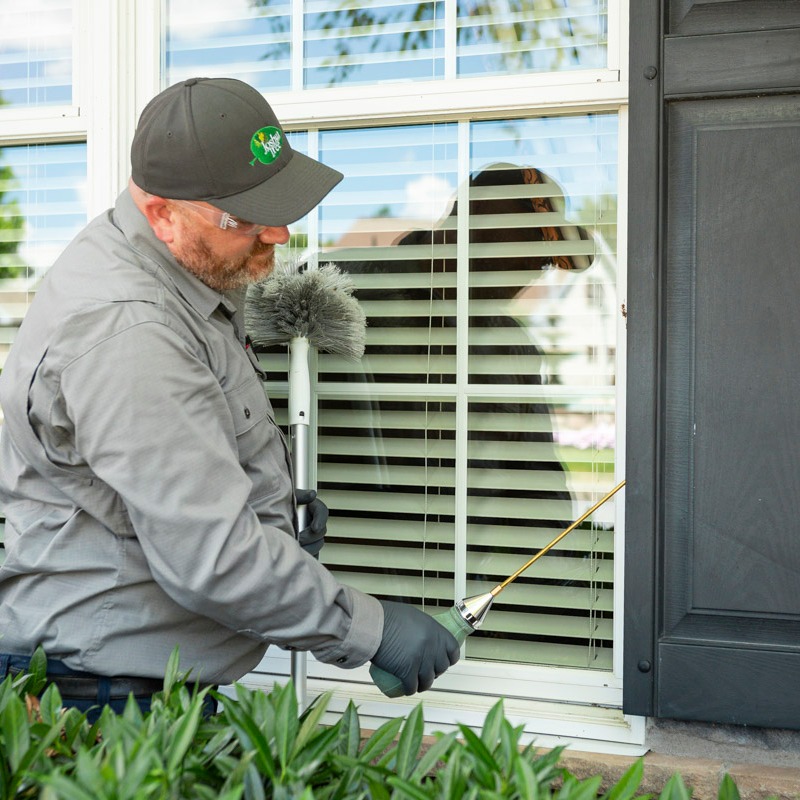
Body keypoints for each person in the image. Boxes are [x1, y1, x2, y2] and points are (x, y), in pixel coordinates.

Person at [0, 77, 459, 720]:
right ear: (163, 213)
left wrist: (262, 501)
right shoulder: (130, 330)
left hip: (132, 685)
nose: (278, 233)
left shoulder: (181, 271)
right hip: (105, 703)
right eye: (246, 216)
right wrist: (374, 631)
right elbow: (211, 558)